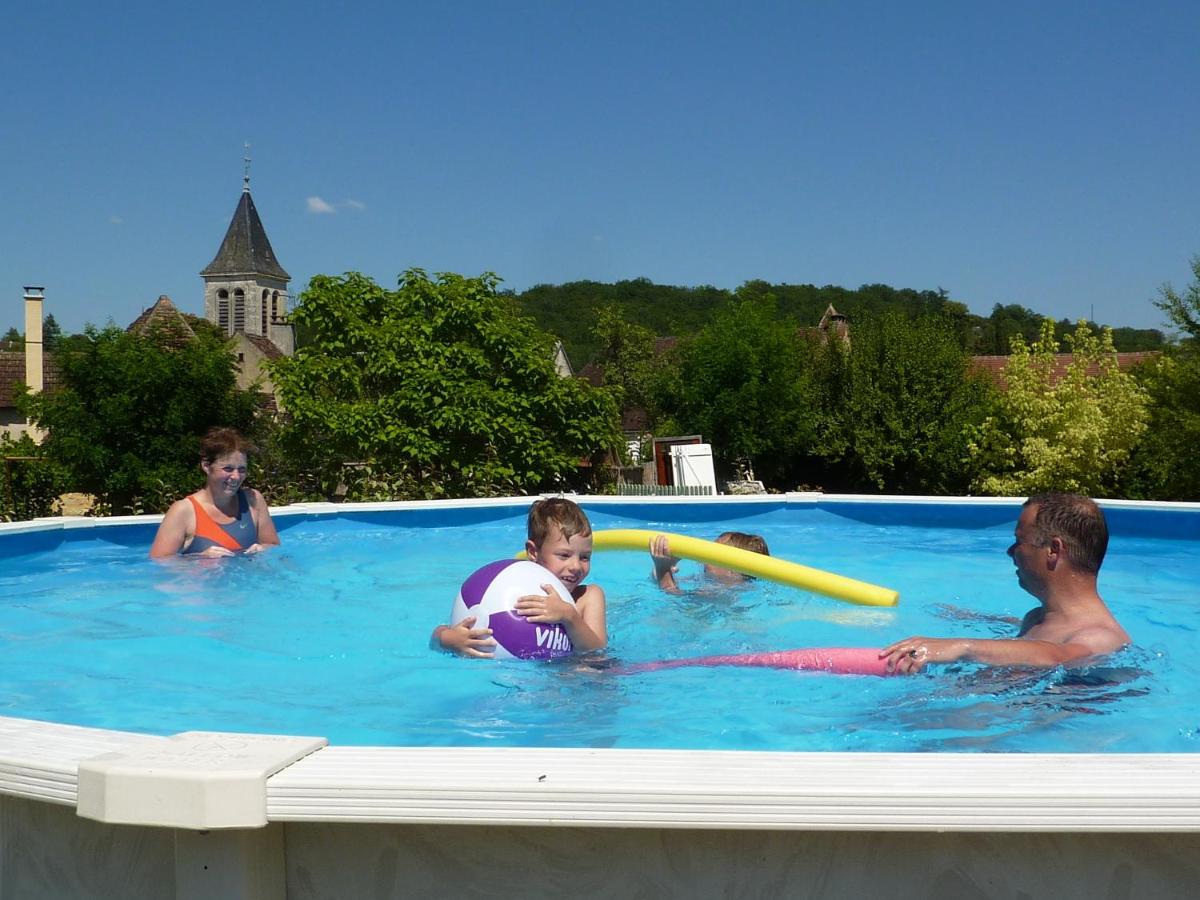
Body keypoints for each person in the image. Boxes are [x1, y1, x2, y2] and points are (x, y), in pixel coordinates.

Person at [881, 492, 1130, 674]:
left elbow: (1059, 656)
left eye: (1019, 541)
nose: (1010, 552)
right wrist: (978, 619)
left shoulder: (1101, 637)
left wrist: (961, 647)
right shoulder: (1037, 618)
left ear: (1054, 550)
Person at [432, 497, 608, 658]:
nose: (576, 566)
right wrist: (449, 639)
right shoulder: (508, 586)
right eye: (564, 555)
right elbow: (437, 636)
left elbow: (597, 650)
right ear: (533, 552)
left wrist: (569, 616)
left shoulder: (588, 597)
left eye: (585, 557)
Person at [149, 427, 279, 558]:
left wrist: (264, 549)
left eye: (242, 469)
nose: (236, 476)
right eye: (228, 469)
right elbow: (159, 562)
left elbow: (273, 545)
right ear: (206, 466)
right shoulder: (183, 511)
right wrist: (199, 558)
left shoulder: (253, 500)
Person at [649, 531, 770, 594]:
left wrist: (663, 570)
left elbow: (674, 600)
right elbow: (655, 580)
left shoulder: (726, 592)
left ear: (733, 569)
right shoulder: (708, 580)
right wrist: (666, 567)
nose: (705, 556)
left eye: (713, 553)